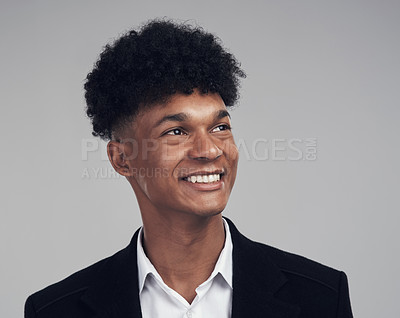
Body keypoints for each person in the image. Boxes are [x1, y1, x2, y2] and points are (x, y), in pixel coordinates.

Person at [25, 18, 353, 318]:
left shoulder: (321, 297)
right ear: (122, 159)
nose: (209, 150)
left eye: (220, 127)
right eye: (176, 132)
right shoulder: (55, 310)